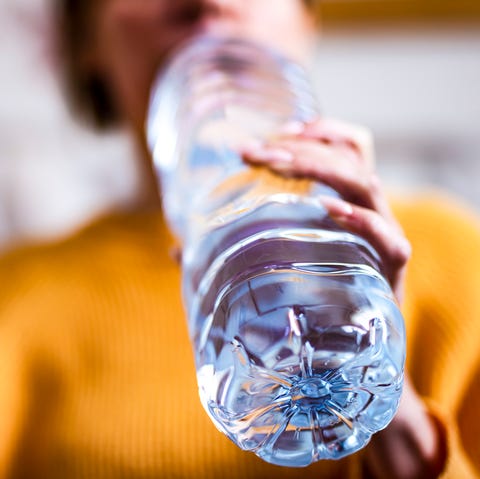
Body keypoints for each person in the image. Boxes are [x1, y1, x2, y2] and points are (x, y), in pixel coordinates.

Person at [0, 0, 479, 477]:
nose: (206, 4)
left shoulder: (454, 257)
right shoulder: (17, 300)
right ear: (85, 39)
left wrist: (395, 405)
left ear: (305, 19)